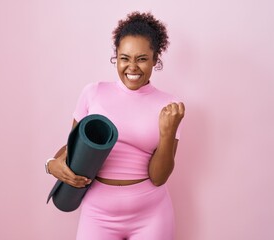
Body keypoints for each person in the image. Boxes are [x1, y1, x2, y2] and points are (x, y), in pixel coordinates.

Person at [46, 11, 185, 240]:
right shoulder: (94, 93)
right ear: (116, 57)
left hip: (151, 215)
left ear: (155, 59)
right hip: (98, 214)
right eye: (124, 58)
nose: (132, 67)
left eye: (141, 58)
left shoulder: (169, 105)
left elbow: (158, 177)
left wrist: (168, 132)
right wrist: (51, 164)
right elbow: (72, 150)